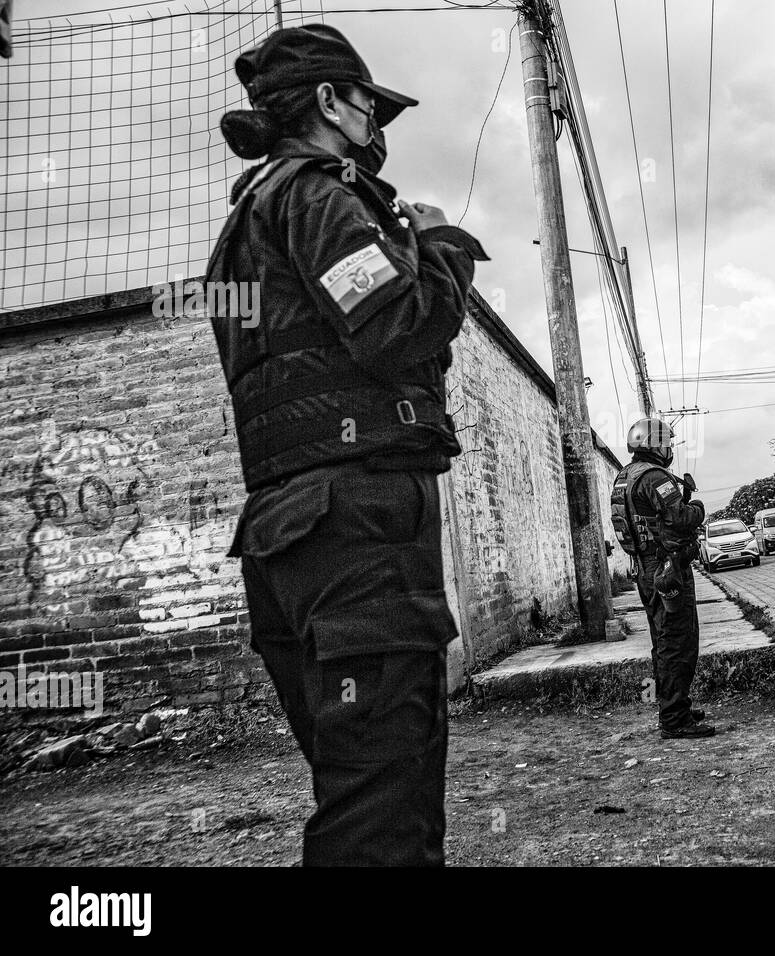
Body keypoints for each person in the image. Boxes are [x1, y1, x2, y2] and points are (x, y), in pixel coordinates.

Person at [205, 23, 488, 866]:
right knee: (382, 817)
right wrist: (440, 250)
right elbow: (394, 327)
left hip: (287, 536)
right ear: (330, 102)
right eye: (370, 105)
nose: (378, 126)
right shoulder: (318, 194)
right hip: (357, 536)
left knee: (357, 788)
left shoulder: (240, 230)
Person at [610, 418, 714, 739]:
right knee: (678, 642)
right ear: (653, 445)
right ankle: (674, 719)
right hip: (667, 567)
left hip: (644, 568)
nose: (669, 448)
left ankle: (674, 706)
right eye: (666, 443)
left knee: (663, 640)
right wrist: (697, 506)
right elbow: (680, 518)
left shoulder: (625, 477)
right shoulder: (655, 477)